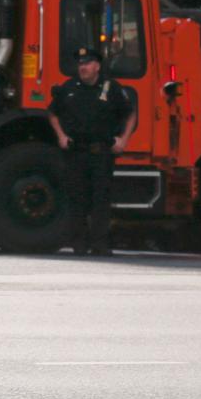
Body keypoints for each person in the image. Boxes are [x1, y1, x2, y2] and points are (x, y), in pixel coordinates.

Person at [48, 47, 137, 256]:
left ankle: (100, 244)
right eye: (80, 64)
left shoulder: (111, 88)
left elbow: (130, 114)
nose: (83, 67)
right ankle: (79, 244)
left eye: (87, 64)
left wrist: (123, 140)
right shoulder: (69, 88)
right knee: (77, 199)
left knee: (101, 201)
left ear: (97, 66)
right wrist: (61, 136)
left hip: (101, 154)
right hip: (76, 153)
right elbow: (52, 113)